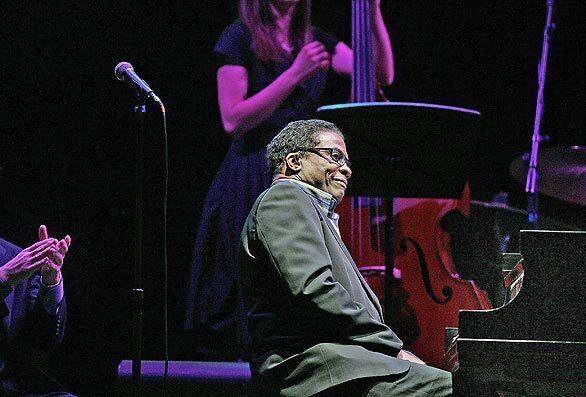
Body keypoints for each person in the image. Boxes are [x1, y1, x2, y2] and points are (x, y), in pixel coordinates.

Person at [185, 0, 394, 360]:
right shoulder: (240, 37)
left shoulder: (315, 42)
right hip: (252, 175)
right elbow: (233, 119)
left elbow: (379, 74)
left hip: (305, 178)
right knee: (247, 283)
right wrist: (295, 73)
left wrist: (372, 11)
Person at [240, 119, 452, 396]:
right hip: (313, 370)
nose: (347, 169)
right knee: (455, 389)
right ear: (294, 162)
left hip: (341, 366)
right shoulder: (285, 197)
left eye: (348, 161)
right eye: (335, 156)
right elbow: (313, 289)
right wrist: (393, 348)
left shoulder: (311, 210)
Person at [0, 225, 73, 396]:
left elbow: (42, 340)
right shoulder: (13, 266)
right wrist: (4, 278)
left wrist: (50, 283)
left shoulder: (17, 256)